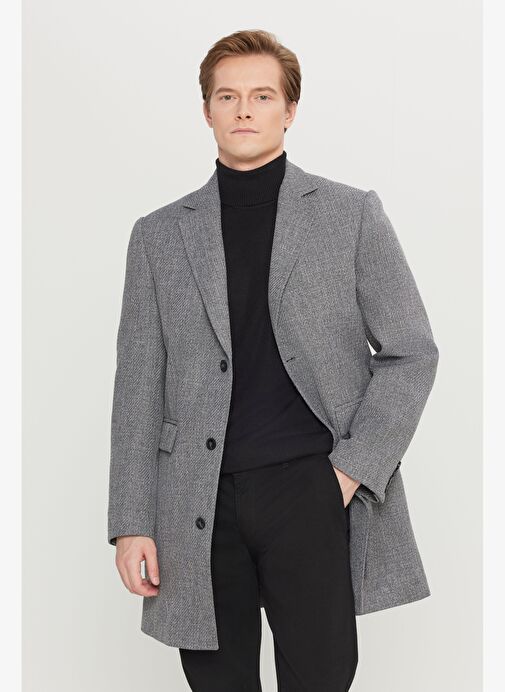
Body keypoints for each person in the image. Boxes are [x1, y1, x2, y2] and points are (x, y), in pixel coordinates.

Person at [107, 29, 439, 692]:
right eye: (227, 96)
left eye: (262, 95)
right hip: (198, 498)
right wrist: (131, 522)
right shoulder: (159, 236)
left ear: (290, 110)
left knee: (320, 676)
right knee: (215, 678)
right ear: (206, 110)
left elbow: (411, 351)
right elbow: (138, 386)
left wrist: (350, 472)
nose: (243, 110)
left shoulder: (349, 215)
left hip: (308, 487)